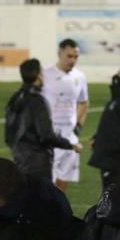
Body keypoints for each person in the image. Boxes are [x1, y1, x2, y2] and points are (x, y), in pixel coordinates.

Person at [6, 58, 82, 181]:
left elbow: (8, 135)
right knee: (41, 199)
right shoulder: (37, 101)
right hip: (37, 165)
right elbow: (46, 135)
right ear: (38, 76)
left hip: (19, 160)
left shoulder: (15, 98)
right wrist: (70, 145)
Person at [42, 39, 89, 191]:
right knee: (46, 179)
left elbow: (84, 102)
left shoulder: (80, 77)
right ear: (59, 54)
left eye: (75, 57)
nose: (72, 60)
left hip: (69, 137)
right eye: (69, 56)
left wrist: (78, 127)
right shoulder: (45, 75)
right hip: (49, 135)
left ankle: (58, 210)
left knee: (63, 180)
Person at [89, 65, 120, 189]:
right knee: (109, 192)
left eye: (119, 74)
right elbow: (111, 125)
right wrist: (97, 138)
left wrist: (110, 147)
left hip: (114, 157)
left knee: (111, 193)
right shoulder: (119, 99)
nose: (116, 76)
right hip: (110, 155)